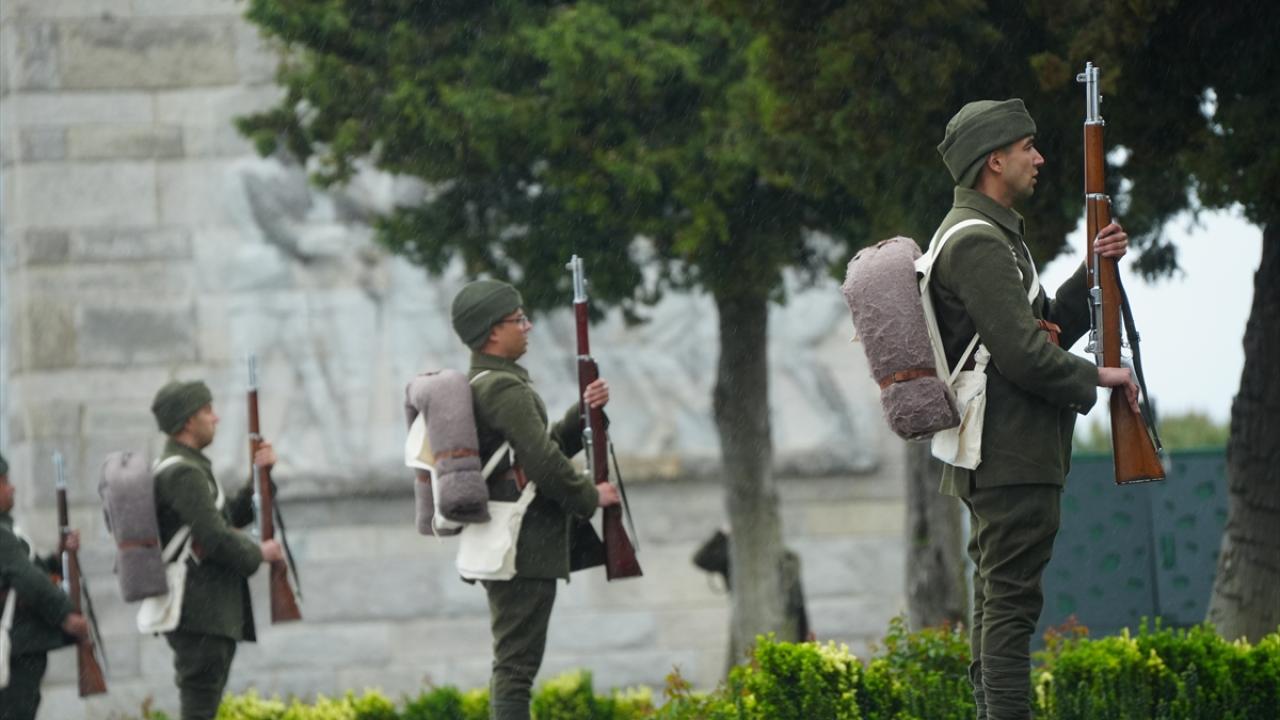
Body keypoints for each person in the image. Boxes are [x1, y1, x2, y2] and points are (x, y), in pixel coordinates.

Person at [931, 99, 1141, 720]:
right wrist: (1102, 375)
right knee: (1011, 606)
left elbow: (1046, 324)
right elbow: (1023, 355)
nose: (1039, 158)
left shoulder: (993, 238)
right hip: (1011, 453)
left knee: (998, 601)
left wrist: (1094, 269)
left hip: (1007, 450)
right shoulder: (977, 244)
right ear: (994, 160)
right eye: (1027, 147)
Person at [450, 279, 621, 720]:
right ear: (492, 331)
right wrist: (589, 495)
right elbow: (544, 463)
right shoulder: (503, 389)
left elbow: (535, 452)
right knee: (516, 670)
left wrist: (584, 412)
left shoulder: (492, 384)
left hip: (516, 542)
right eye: (517, 320)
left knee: (514, 667)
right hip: (521, 546)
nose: (527, 327)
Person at [148, 381, 284, 720]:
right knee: (199, 711)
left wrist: (261, 477)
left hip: (206, 611)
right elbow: (214, 537)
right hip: (201, 613)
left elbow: (226, 519)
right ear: (187, 421)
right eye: (207, 410)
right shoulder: (183, 472)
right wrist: (259, 553)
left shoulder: (190, 467)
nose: (216, 418)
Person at [0, 451, 90, 720]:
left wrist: (58, 555)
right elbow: (27, 577)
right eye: (3, 481)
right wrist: (66, 615)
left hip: (21, 646)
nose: (11, 487)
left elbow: (32, 568)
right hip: (17, 647)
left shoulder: (6, 532)